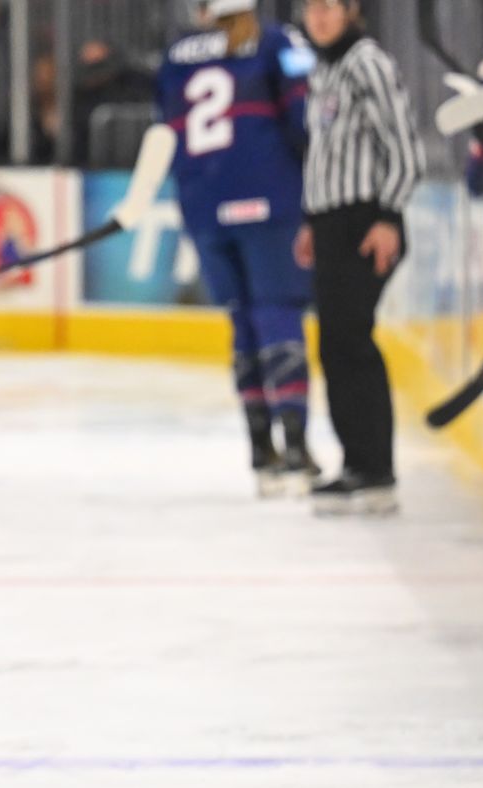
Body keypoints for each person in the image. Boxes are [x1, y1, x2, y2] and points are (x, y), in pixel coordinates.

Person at [156, 0, 317, 495]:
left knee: (241, 319)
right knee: (277, 314)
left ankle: (259, 446)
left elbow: (167, 126)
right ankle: (294, 444)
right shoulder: (278, 43)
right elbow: (304, 119)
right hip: (269, 201)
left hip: (205, 205)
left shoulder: (177, 54)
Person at [294, 0, 423, 515]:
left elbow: (405, 148)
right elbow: (326, 152)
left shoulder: (367, 61)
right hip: (331, 223)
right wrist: (311, 219)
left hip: (365, 223)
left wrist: (388, 217)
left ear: (351, 11)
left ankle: (374, 469)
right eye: (311, 8)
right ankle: (357, 463)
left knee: (351, 341)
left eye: (328, 6)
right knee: (335, 345)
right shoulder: (324, 69)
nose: (318, 17)